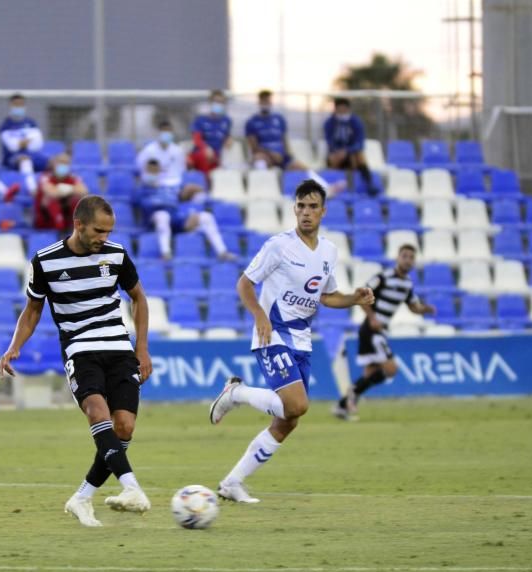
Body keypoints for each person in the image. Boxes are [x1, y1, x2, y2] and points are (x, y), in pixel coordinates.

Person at [208, 179, 374, 503]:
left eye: (313, 207)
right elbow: (244, 284)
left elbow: (327, 297)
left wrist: (355, 298)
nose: (306, 213)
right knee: (297, 405)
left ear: (323, 211)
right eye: (301, 206)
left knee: (289, 420)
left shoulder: (329, 251)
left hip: (302, 337)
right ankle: (236, 393)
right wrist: (259, 315)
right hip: (273, 332)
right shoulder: (279, 246)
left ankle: (231, 482)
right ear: (294, 209)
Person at [0, 195, 153, 527]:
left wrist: (142, 348)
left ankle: (81, 498)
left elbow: (138, 297)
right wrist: (14, 346)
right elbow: (33, 310)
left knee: (123, 427)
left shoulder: (116, 255)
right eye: (98, 230)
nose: (104, 238)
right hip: (80, 350)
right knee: (97, 412)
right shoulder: (45, 261)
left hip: (118, 347)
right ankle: (132, 488)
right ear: (78, 224)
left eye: (109, 231)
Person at [333, 244, 436, 421]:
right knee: (391, 369)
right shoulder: (384, 277)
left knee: (370, 372)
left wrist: (424, 309)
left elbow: (413, 307)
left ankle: (343, 405)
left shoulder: (407, 284)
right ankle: (352, 395)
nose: (408, 260)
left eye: (411, 257)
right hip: (371, 329)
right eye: (405, 256)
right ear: (397, 257)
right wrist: (372, 317)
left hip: (379, 330)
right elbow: (362, 295)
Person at [136, 121, 234, 261]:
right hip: (155, 221)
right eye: (151, 169)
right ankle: (166, 253)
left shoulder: (170, 185)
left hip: (176, 219)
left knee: (206, 216)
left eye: (156, 168)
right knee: (163, 215)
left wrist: (190, 191)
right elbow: (143, 204)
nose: (154, 171)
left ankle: (222, 252)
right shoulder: (144, 187)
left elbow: (181, 196)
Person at [324, 97, 377, 195]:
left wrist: (347, 151)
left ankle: (369, 184)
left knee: (359, 156)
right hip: (336, 155)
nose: (342, 113)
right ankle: (331, 190)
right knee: (333, 158)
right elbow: (329, 141)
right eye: (339, 110)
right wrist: (338, 151)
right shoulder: (329, 123)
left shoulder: (356, 122)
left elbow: (360, 143)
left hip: (352, 155)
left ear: (348, 110)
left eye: (344, 110)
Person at [0, 93, 48, 196]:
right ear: (11, 106)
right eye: (16, 105)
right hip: (12, 159)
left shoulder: (31, 123)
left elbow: (38, 144)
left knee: (54, 162)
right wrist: (26, 141)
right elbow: (12, 146)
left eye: (21, 104)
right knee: (25, 160)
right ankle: (33, 190)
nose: (18, 107)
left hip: (33, 155)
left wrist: (21, 143)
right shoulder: (6, 125)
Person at [34, 153, 88, 231]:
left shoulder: (72, 177)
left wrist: (69, 189)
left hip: (66, 215)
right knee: (50, 200)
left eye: (66, 163)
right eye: (61, 162)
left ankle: (77, 227)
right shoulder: (45, 177)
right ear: (54, 164)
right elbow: (52, 192)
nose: (64, 165)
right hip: (46, 219)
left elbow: (83, 191)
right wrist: (69, 190)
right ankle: (60, 229)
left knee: (78, 199)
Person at [188, 89, 232, 177]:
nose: (218, 104)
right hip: (202, 153)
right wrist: (206, 148)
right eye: (216, 101)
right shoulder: (201, 120)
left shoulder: (226, 121)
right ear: (210, 102)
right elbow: (197, 139)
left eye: (221, 102)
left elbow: (226, 136)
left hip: (217, 155)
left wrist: (228, 138)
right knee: (203, 157)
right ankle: (205, 186)